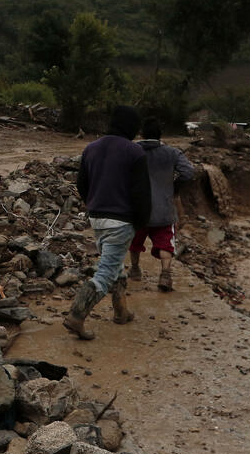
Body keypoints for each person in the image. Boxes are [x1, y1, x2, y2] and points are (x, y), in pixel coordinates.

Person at [63, 105, 152, 340]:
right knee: (105, 272)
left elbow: (82, 184)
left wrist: (93, 203)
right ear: (132, 127)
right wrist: (142, 222)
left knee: (114, 264)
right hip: (121, 221)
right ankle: (77, 315)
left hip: (97, 218)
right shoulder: (135, 153)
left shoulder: (91, 148)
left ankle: (121, 311)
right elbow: (141, 194)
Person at [127, 116, 195, 291]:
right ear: (160, 135)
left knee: (134, 242)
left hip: (138, 209)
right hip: (164, 209)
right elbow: (188, 172)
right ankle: (165, 275)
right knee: (165, 242)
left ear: (141, 133)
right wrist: (173, 187)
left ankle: (135, 270)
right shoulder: (172, 152)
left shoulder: (132, 150)